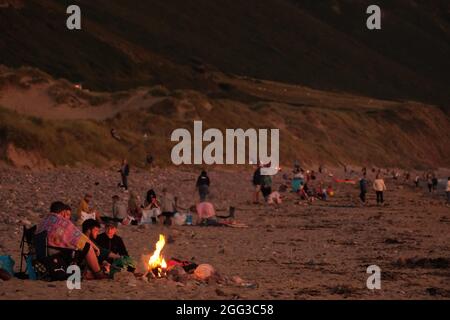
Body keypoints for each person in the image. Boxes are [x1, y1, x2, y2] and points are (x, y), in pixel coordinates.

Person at [37, 201, 107, 279]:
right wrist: (95, 246)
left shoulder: (44, 221)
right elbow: (79, 236)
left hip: (40, 254)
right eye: (67, 214)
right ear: (63, 212)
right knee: (87, 247)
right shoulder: (62, 222)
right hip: (54, 254)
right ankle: (98, 273)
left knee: (77, 247)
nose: (68, 217)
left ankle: (88, 272)